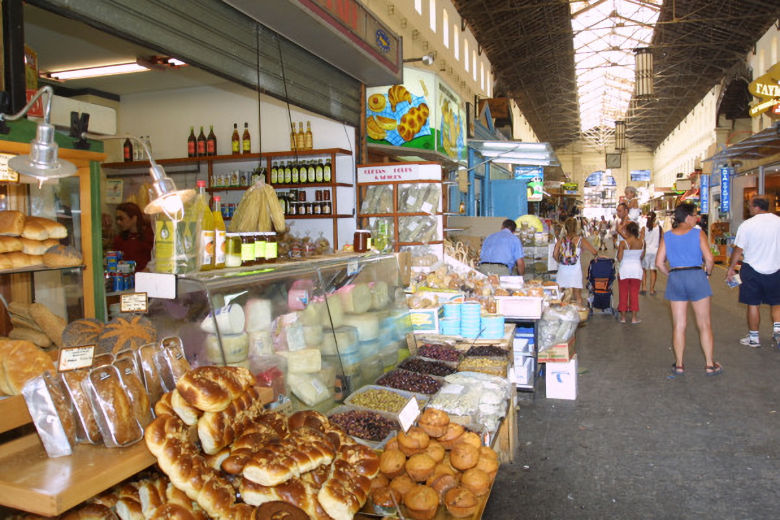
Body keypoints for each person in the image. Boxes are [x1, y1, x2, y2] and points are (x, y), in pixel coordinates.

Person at [655, 203, 721, 376]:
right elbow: (709, 259)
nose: (696, 218)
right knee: (704, 324)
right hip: (696, 276)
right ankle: (709, 364)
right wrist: (707, 273)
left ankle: (679, 364)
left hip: (676, 277)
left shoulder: (667, 236)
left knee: (679, 325)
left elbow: (658, 263)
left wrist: (670, 274)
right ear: (688, 216)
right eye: (695, 215)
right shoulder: (698, 233)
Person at [726, 196, 780, 348]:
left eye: (749, 205)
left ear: (756, 207)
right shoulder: (778, 222)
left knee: (753, 304)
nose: (748, 208)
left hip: (752, 270)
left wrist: (731, 268)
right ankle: (778, 329)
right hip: (776, 268)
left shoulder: (748, 225)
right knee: (777, 302)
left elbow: (739, 249)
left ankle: (754, 338)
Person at [553, 217, 599, 306]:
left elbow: (555, 254)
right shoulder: (580, 240)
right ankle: (577, 315)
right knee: (577, 295)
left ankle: (560, 313)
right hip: (575, 271)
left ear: (565, 227)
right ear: (576, 227)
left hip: (562, 270)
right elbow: (594, 252)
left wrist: (560, 261)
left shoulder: (561, 240)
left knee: (560, 293)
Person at [112, 202, 154, 271]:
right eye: (117, 219)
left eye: (121, 218)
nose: (118, 222)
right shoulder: (119, 239)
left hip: (146, 277)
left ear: (134, 218)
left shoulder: (150, 235)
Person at [617, 221, 644, 323]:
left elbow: (619, 258)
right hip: (637, 270)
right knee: (634, 294)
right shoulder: (642, 242)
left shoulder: (623, 243)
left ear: (627, 231)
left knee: (623, 294)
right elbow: (641, 256)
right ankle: (634, 318)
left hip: (624, 270)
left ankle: (623, 318)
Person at [640, 211, 663, 295]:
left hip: (646, 251)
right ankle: (652, 290)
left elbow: (641, 241)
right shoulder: (659, 228)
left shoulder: (643, 228)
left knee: (644, 270)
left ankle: (644, 287)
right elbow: (662, 240)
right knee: (653, 270)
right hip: (655, 252)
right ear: (655, 218)